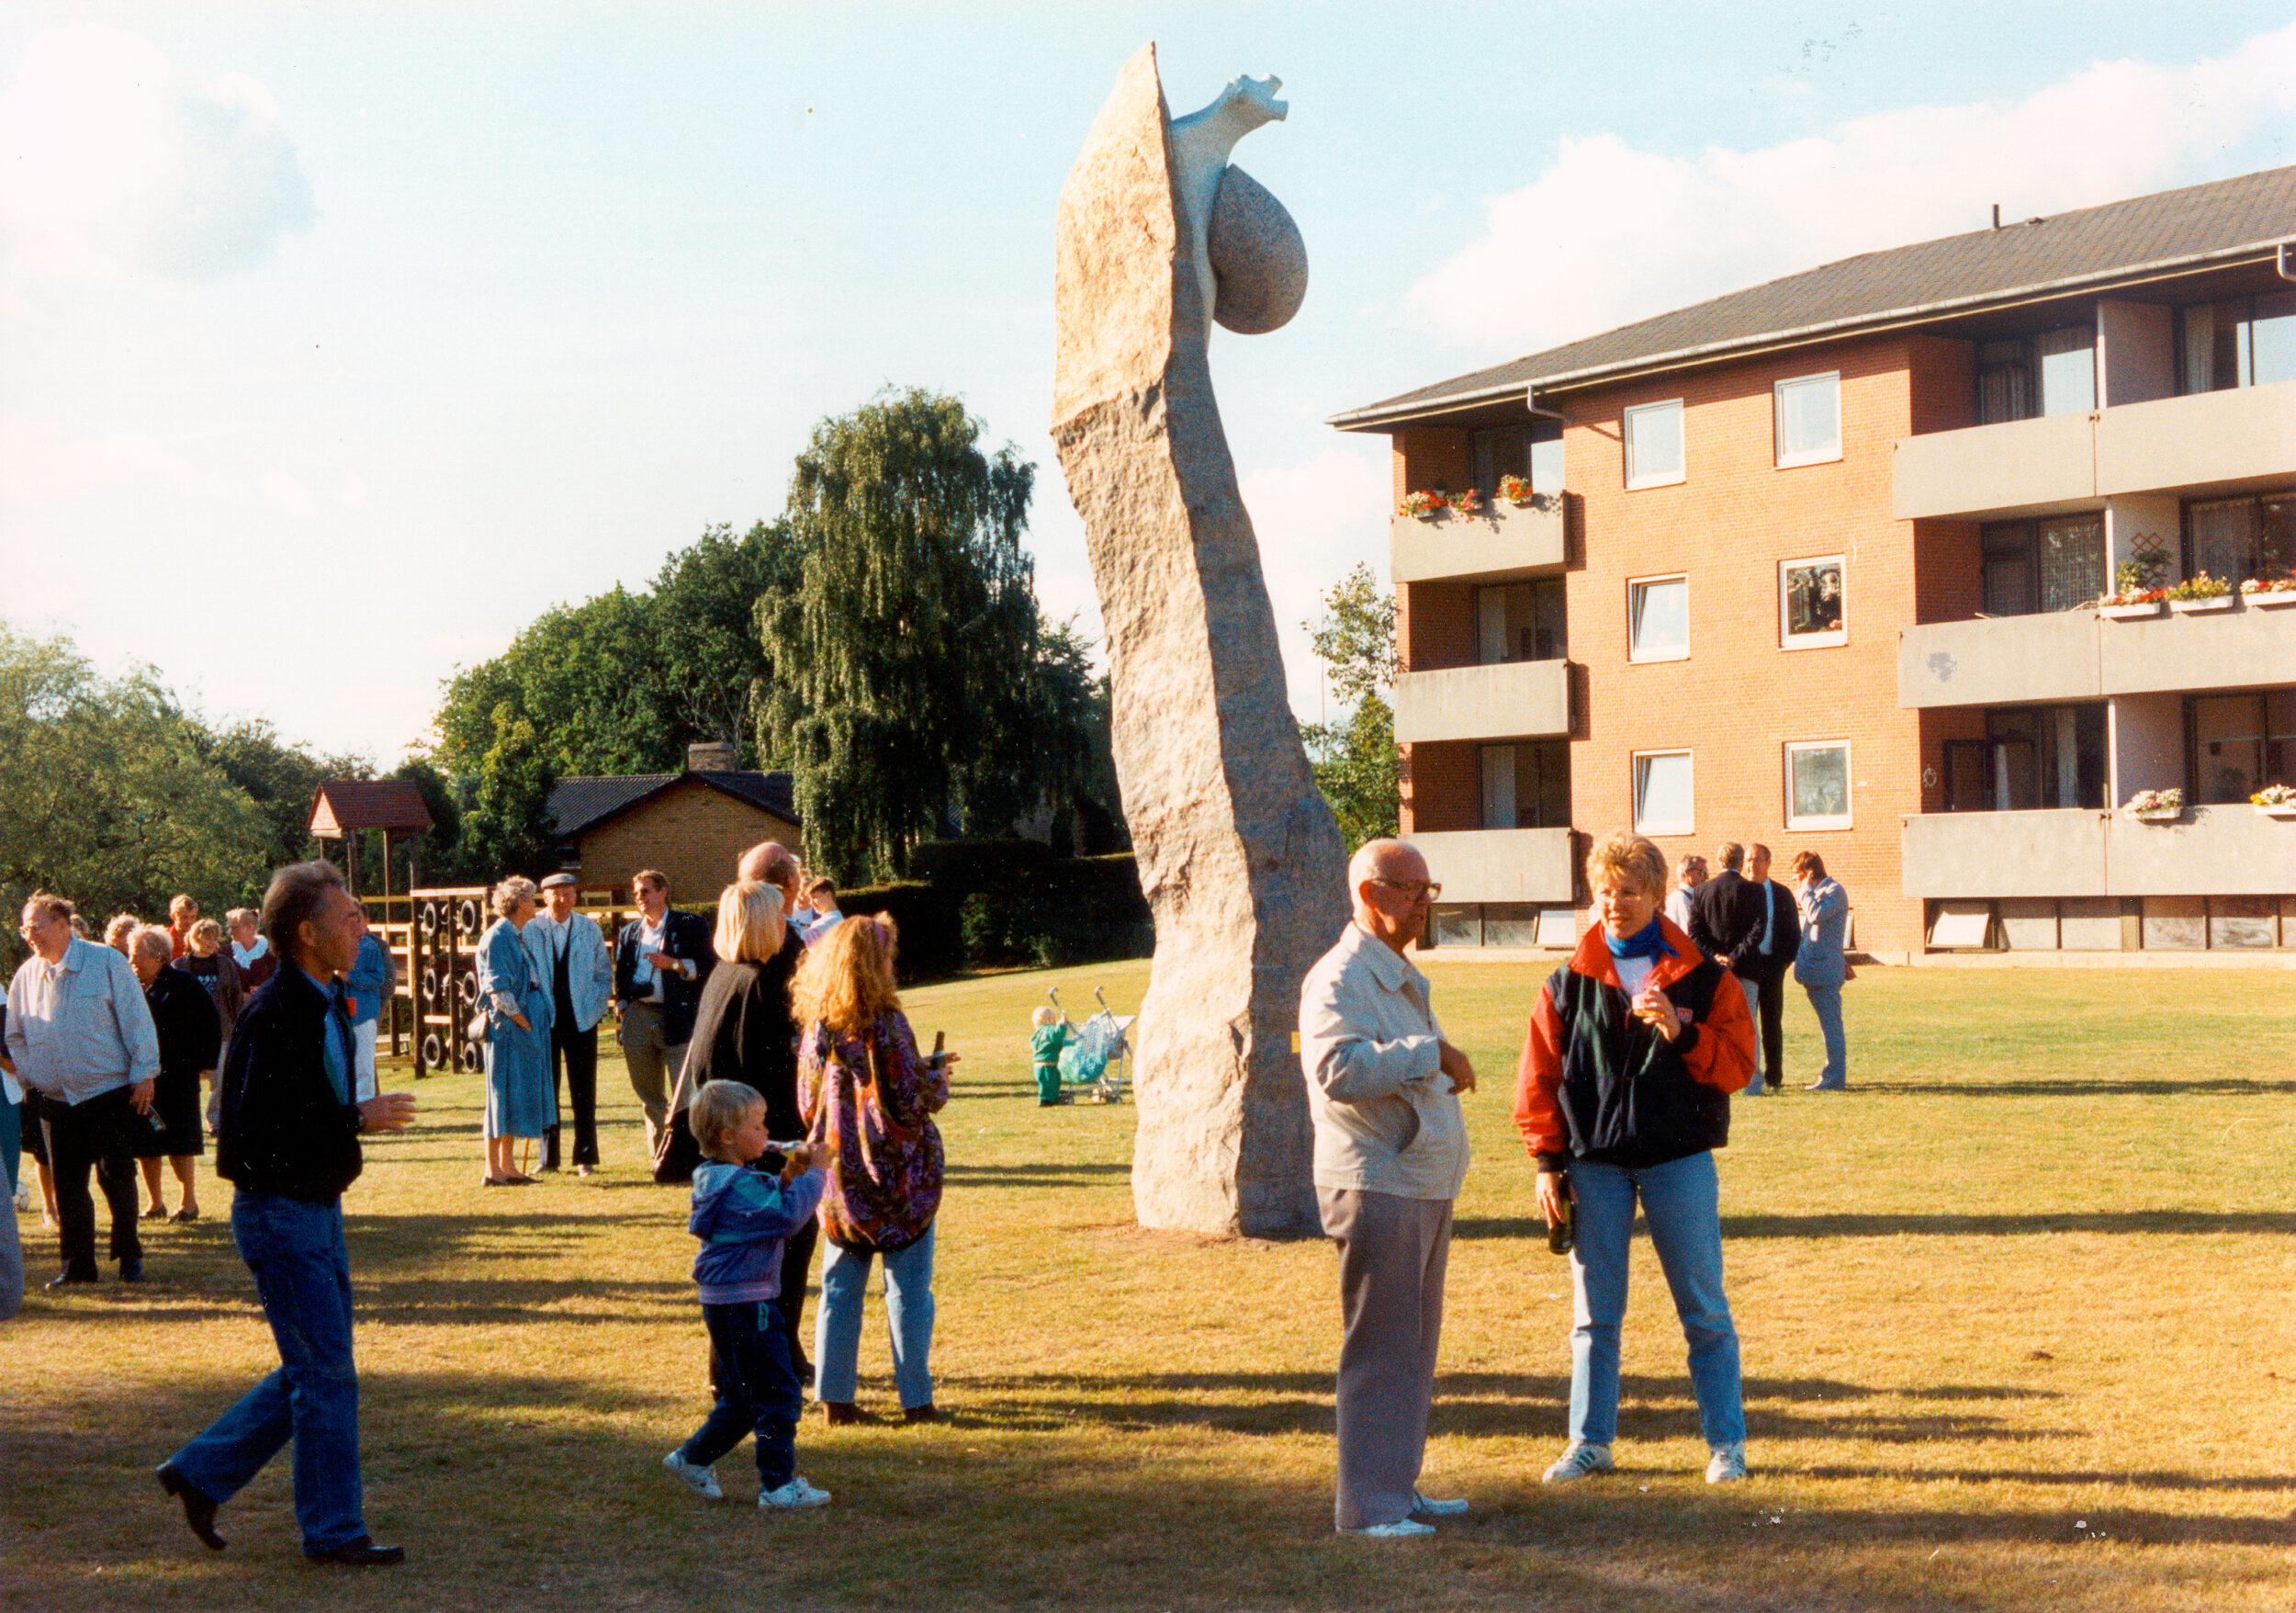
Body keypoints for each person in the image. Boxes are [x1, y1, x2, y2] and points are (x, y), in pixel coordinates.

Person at [158, 859, 416, 1566]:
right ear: (306, 932)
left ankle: (202, 1471)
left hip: (312, 1209)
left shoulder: (321, 998)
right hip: (280, 1215)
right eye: (349, 918)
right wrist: (353, 1118)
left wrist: (345, 1123)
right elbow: (245, 1140)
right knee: (325, 1373)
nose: (362, 928)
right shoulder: (274, 1013)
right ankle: (333, 1533)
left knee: (317, 1366)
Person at [1517, 831, 1756, 1488]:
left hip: (1678, 1161)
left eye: (1629, 891)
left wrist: (1684, 1033)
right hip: (1595, 1167)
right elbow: (1537, 1079)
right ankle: (1590, 1442)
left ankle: (1726, 1444)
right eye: (1604, 892)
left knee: (1703, 1309)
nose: (1615, 904)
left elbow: (1738, 1067)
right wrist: (1547, 1162)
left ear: (1656, 896)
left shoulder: (1706, 980)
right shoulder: (1566, 982)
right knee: (1595, 1315)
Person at [1298, 838, 1475, 1540]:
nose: (1426, 904)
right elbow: (1337, 1069)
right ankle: (1370, 1509)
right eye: (1413, 890)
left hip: (1420, 1184)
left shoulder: (1394, 972)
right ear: (1371, 894)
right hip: (1375, 1186)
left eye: (1430, 890)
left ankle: (1395, 1489)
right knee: (1381, 1348)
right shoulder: (1338, 977)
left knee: (1414, 1348)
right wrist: (1429, 1053)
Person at [795, 916, 955, 1426]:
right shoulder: (887, 1022)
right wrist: (937, 1076)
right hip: (899, 1178)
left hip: (839, 1176)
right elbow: (911, 1100)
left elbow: (806, 1101)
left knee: (839, 1288)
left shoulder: (818, 1025)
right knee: (909, 1290)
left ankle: (834, 1398)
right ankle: (916, 1399)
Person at [661, 1078, 833, 1511]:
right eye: (757, 1126)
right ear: (727, 1136)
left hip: (729, 1303)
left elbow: (764, 1202)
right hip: (748, 1305)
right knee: (779, 1393)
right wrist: (816, 1174)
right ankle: (778, 1485)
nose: (766, 1132)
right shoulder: (734, 1183)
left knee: (742, 1395)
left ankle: (692, 1459)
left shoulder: (720, 1177)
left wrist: (789, 1176)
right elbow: (785, 1217)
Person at [678, 879, 817, 1377]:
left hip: (726, 1136)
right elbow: (777, 1071)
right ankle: (779, 1353)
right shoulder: (761, 982)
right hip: (756, 1136)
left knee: (742, 1258)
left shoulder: (722, 975)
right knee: (786, 1243)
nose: (788, 924)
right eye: (779, 916)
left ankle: (752, 1358)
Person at [7, 891, 161, 1287]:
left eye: (36, 926)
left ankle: (130, 1258)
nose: (30, 935)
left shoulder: (105, 961)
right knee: (69, 1184)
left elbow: (136, 1020)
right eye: (25, 928)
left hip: (108, 1091)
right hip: (56, 1099)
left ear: (63, 924)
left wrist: (145, 1073)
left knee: (118, 1176)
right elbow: (16, 1037)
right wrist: (33, 1074)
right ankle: (77, 1268)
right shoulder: (26, 975)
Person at [613, 869, 715, 1160]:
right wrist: (623, 1007)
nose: (639, 897)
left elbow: (708, 967)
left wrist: (674, 965)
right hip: (638, 1017)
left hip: (678, 1017)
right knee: (649, 1097)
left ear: (663, 891)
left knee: (684, 1097)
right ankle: (661, 1158)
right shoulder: (629, 932)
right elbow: (620, 975)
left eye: (645, 891)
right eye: (636, 893)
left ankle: (688, 1157)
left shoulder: (690, 924)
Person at [129, 926, 221, 1224]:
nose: (132, 962)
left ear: (157, 957)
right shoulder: (132, 987)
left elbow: (211, 1023)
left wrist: (205, 1062)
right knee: (146, 1141)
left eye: (136, 956)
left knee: (180, 1141)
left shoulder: (183, 983)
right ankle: (155, 1203)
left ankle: (188, 1203)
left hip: (178, 1079)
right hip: (144, 1080)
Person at [525, 874, 613, 1175]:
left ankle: (585, 1157)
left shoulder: (589, 928)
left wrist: (596, 1006)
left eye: (568, 893)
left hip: (582, 1019)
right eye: (556, 894)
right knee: (546, 1090)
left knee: (584, 1090)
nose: (563, 899)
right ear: (544, 896)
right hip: (544, 1021)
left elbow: (604, 974)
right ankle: (547, 1159)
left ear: (575, 896)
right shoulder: (531, 928)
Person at [477, 877, 553, 1187]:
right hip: (507, 1029)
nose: (535, 904)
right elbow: (497, 988)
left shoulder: (516, 935)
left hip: (522, 1025)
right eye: (532, 898)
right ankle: (492, 1169)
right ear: (519, 902)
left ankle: (508, 1167)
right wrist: (524, 1022)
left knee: (515, 1095)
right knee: (501, 1095)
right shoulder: (498, 936)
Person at [1687, 842, 1769, 1094]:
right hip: (1745, 967)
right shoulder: (1755, 890)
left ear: (1719, 861)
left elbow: (1695, 933)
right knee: (1748, 1023)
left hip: (1711, 972)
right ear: (1741, 861)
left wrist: (1715, 957)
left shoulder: (1701, 891)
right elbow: (1758, 930)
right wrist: (1734, 957)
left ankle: (1715, 1075)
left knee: (1713, 1023)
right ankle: (1752, 1082)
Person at [1792, 852, 1851, 1091]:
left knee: (1831, 1027)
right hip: (1816, 970)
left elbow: (1816, 916)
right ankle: (1832, 1076)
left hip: (1825, 971)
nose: (1796, 881)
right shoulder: (1820, 893)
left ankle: (1834, 1078)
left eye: (1798, 876)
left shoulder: (1833, 891)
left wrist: (1805, 892)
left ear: (1809, 873)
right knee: (1828, 1026)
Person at [1747, 845, 1801, 1100]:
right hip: (1746, 968)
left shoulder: (1781, 894)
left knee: (1771, 1023)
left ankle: (1774, 1076)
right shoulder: (1741, 892)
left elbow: (1793, 933)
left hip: (1772, 966)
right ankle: (1747, 1075)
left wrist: (1782, 963)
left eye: (1757, 860)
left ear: (1768, 862)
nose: (1751, 865)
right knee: (1746, 1023)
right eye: (1748, 860)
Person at [343, 910, 390, 1104]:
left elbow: (379, 977)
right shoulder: (337, 945)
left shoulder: (370, 946)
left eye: (357, 921)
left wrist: (351, 977)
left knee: (363, 1063)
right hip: (342, 1012)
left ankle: (366, 1107)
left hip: (364, 1011)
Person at [178, 919, 247, 1032]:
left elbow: (237, 999)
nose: (212, 943)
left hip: (222, 1031)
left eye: (215, 939)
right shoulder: (179, 966)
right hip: (189, 1032)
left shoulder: (226, 964)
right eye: (208, 938)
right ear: (195, 938)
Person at [228, 909, 278, 991]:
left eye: (235, 928)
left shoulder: (271, 952)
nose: (230, 932)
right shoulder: (225, 952)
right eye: (230, 927)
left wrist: (262, 991)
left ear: (249, 927)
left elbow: (279, 982)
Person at [1030, 1006, 1069, 1107]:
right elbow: (1056, 1035)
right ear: (1050, 1019)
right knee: (1053, 1083)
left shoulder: (1037, 1034)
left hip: (1038, 1065)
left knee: (1046, 1084)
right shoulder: (1048, 1030)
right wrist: (1062, 1025)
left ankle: (1051, 1098)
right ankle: (1046, 1100)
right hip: (1049, 1065)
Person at [1664, 855, 1708, 932]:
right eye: (1702, 872)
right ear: (1687, 873)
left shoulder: (1691, 898)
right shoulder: (1681, 900)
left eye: (1706, 873)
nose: (1706, 877)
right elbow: (1689, 933)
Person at [799, 878, 843, 948]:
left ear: (828, 895)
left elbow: (799, 939)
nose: (811, 903)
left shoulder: (831, 921)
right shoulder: (836, 918)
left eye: (814, 897)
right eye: (810, 899)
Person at [167, 895, 199, 960]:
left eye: (193, 917)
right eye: (185, 917)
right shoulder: (164, 939)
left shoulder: (201, 939)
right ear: (173, 916)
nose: (189, 922)